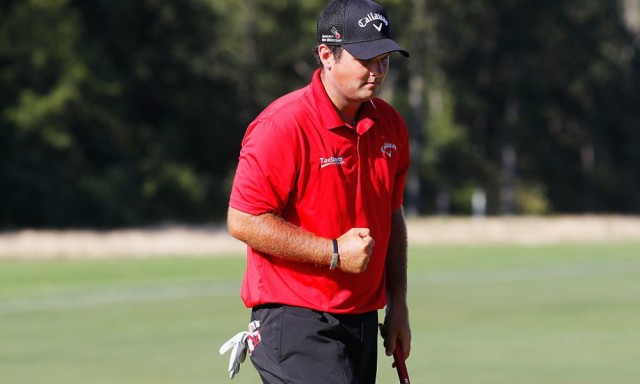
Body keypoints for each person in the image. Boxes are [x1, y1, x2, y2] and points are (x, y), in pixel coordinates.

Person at [225, 0, 411, 382]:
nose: (378, 71)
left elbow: (392, 216)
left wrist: (399, 305)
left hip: (361, 318)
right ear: (327, 55)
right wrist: (334, 253)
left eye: (385, 59)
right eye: (367, 59)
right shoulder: (282, 125)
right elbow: (242, 220)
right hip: (294, 321)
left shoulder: (390, 125)